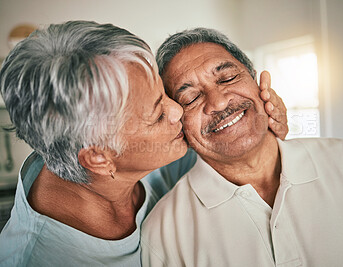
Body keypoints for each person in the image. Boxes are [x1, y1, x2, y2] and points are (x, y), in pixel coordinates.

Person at [0, 21, 288, 266]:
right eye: (158, 114)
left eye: (165, 93)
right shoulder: (42, 258)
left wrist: (259, 130)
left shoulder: (133, 148)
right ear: (100, 158)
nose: (177, 110)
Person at [140, 27, 343, 267]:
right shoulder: (164, 233)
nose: (218, 103)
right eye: (191, 97)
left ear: (259, 83)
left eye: (228, 78)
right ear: (177, 122)